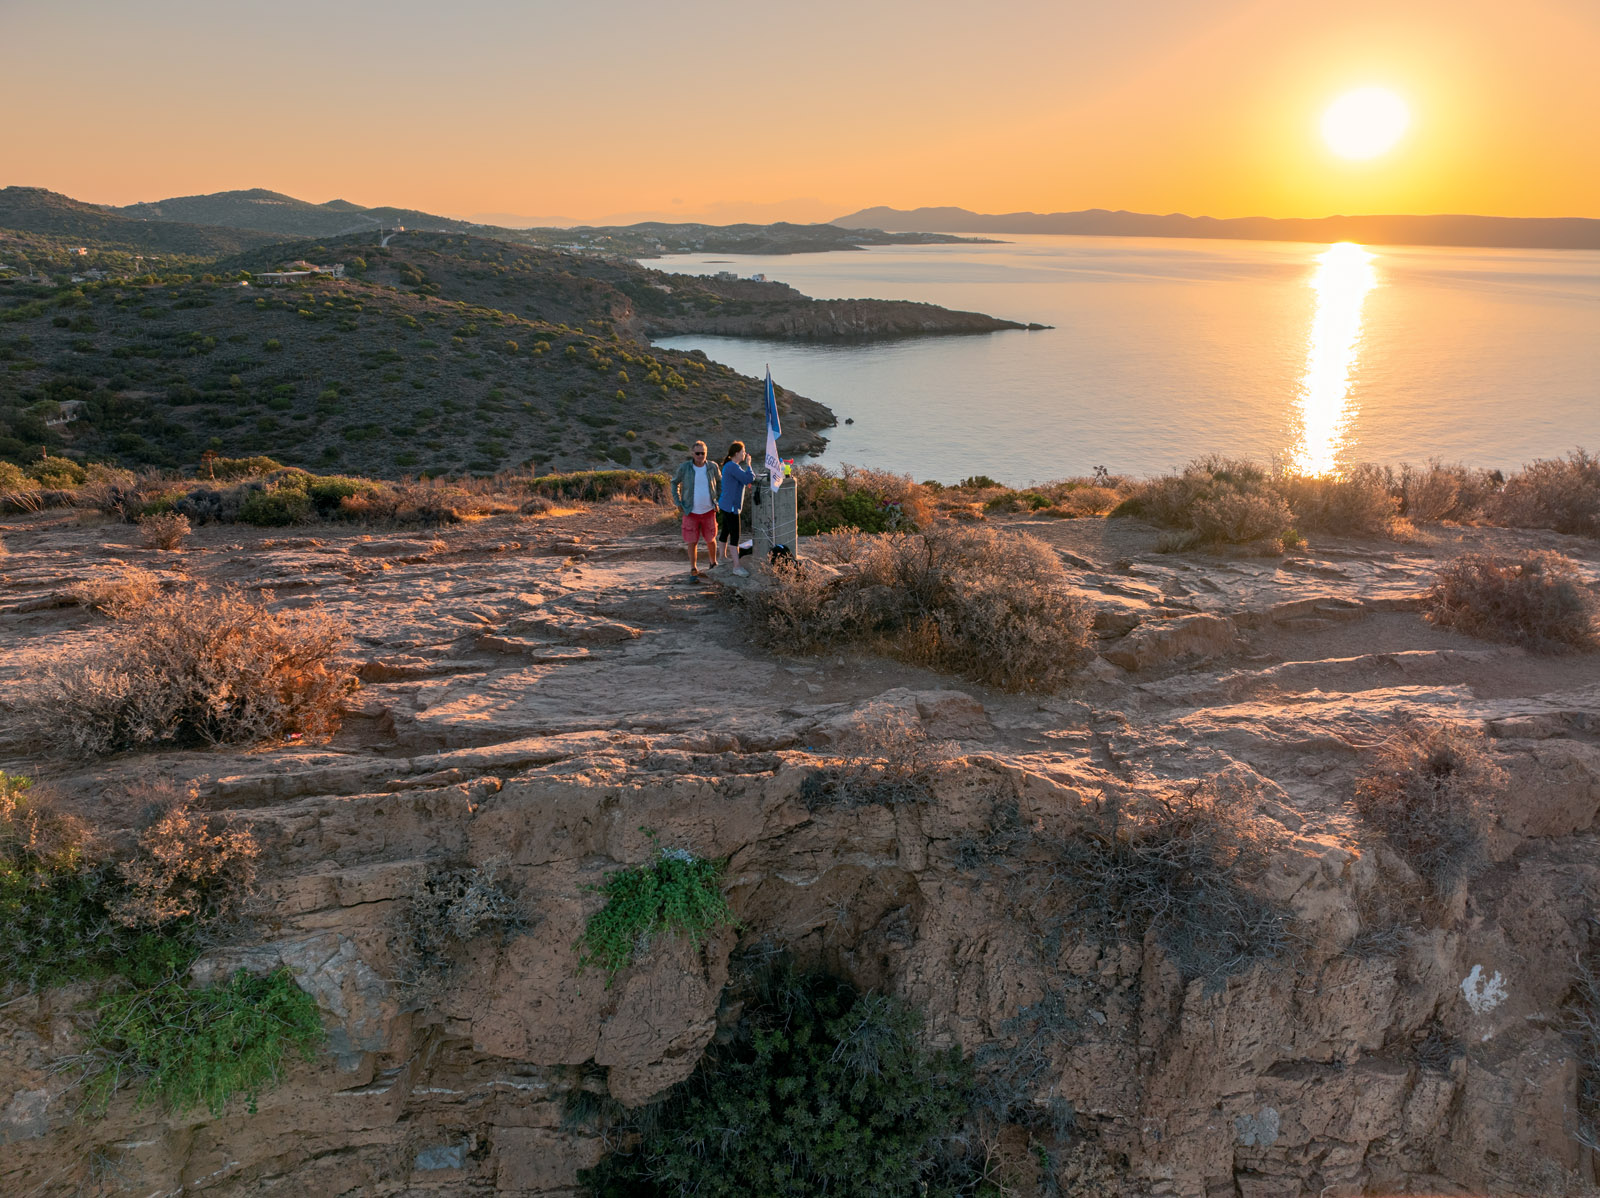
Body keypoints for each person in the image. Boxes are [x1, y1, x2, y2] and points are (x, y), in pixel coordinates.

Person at [671, 440, 720, 579]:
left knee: (711, 539)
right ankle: (693, 568)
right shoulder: (685, 467)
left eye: (702, 453)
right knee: (692, 541)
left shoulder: (712, 467)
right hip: (690, 511)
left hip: (709, 510)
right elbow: (674, 483)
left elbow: (720, 482)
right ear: (692, 453)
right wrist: (678, 501)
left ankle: (713, 563)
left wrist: (719, 500)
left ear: (706, 453)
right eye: (697, 453)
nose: (700, 456)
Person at [717, 441, 756, 577]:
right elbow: (748, 479)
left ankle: (722, 558)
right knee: (735, 537)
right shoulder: (733, 467)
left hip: (725, 504)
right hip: (732, 507)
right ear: (736, 453)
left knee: (725, 531)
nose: (745, 454)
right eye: (743, 451)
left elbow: (742, 479)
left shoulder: (730, 466)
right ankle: (736, 566)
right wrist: (749, 465)